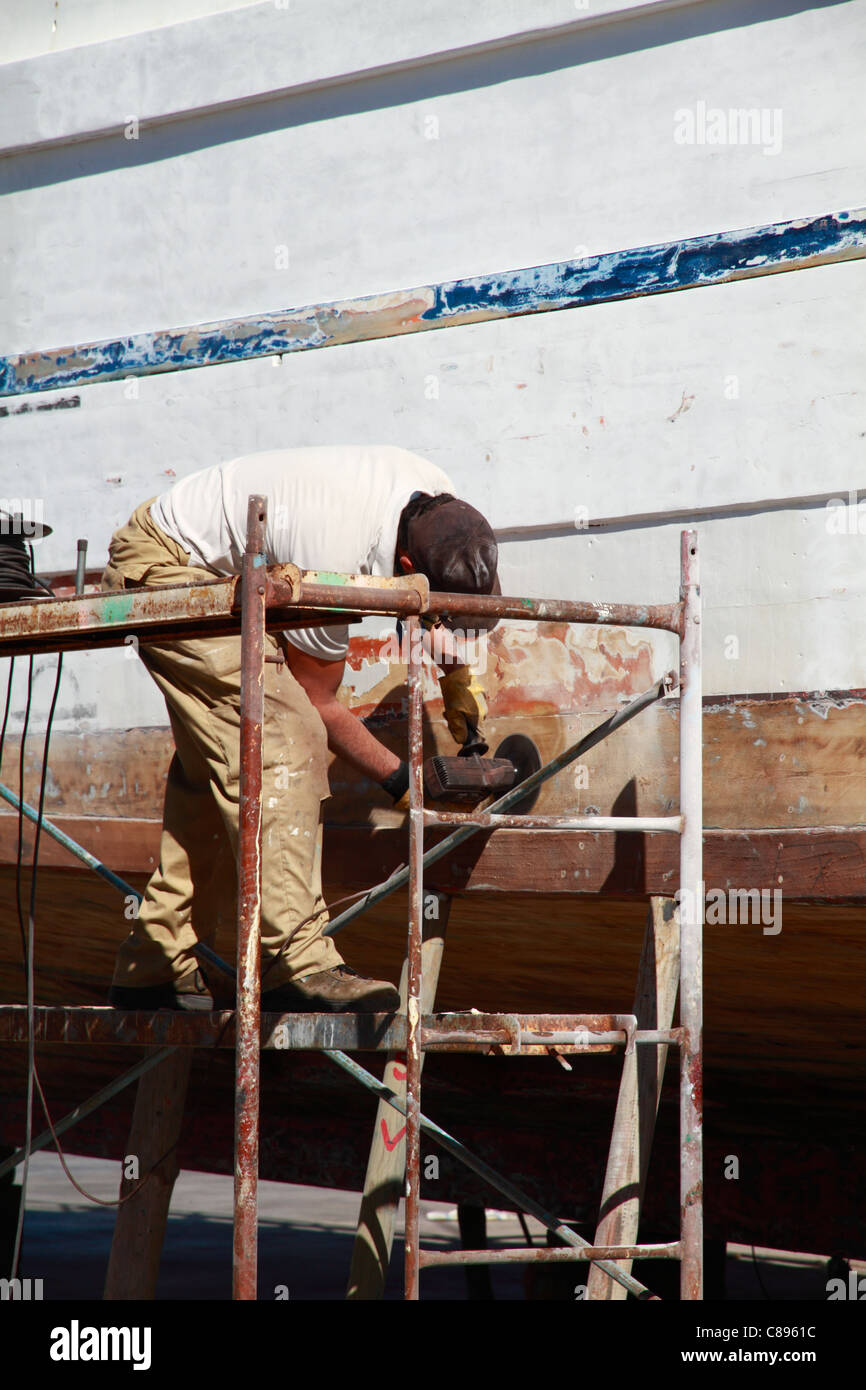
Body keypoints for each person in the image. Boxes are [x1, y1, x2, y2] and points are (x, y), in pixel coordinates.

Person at [102, 445, 499, 1012]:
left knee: (216, 767)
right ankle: (294, 962)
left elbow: (427, 609)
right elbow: (318, 702)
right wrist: (404, 781)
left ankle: (154, 960)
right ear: (406, 567)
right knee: (283, 736)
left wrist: (459, 675)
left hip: (219, 568)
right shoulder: (335, 550)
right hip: (165, 567)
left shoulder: (439, 503)